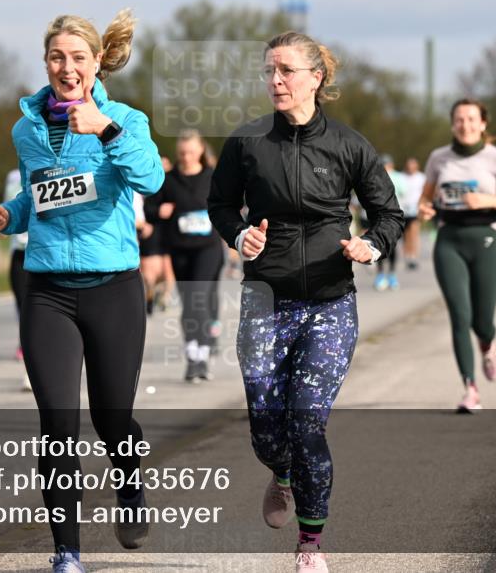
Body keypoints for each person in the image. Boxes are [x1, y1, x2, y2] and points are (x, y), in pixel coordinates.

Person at [208, 31, 403, 573]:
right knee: (267, 425)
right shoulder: (247, 144)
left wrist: (371, 244)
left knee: (308, 421)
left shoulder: (349, 146)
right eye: (270, 70)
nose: (276, 80)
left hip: (329, 304)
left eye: (287, 71)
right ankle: (282, 472)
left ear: (316, 77)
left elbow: (390, 214)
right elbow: (219, 204)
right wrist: (238, 234)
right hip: (264, 301)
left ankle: (310, 542)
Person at [0, 9, 164, 573]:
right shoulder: (26, 128)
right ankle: (67, 552)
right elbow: (39, 196)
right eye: (57, 57)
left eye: (78, 57)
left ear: (96, 62)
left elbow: (151, 179)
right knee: (58, 425)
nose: (67, 67)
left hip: (114, 289)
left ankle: (129, 482)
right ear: (46, 63)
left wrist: (103, 130)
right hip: (48, 291)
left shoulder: (125, 118)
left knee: (112, 420)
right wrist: (7, 216)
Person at [417, 99, 496, 413]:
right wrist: (425, 209)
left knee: (482, 320)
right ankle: (470, 388)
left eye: (471, 119)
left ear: (482, 124)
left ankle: (488, 343)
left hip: (487, 241)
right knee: (459, 316)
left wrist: (488, 199)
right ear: (452, 124)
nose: (465, 125)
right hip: (449, 240)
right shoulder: (439, 158)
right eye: (459, 119)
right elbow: (425, 201)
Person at [158, 129, 224, 383]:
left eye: (190, 152)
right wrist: (160, 210)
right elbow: (152, 207)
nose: (185, 157)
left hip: (208, 248)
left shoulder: (212, 177)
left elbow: (228, 206)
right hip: (179, 249)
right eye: (182, 152)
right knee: (189, 302)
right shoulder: (169, 179)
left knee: (200, 295)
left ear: (199, 151)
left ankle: (203, 354)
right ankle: (193, 355)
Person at [3, 164, 32, 391]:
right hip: (20, 251)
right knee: (25, 308)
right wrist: (3, 216)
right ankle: (31, 368)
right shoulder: (12, 176)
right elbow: (16, 204)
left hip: (46, 249)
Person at [139, 154, 175, 315]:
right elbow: (145, 209)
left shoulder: (175, 186)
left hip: (170, 233)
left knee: (168, 271)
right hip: (152, 232)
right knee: (149, 273)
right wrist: (158, 211)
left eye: (167, 165)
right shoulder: (149, 186)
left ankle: (164, 296)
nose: (164, 169)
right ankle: (150, 296)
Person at [373, 154, 406, 291]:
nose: (385, 167)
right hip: (377, 216)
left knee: (392, 246)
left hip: (394, 216)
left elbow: (404, 192)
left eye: (387, 164)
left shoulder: (398, 177)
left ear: (391, 165)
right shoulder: (374, 176)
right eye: (383, 164)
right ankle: (380, 275)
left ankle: (392, 275)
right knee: (378, 245)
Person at [399, 157, 426, 271]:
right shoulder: (401, 177)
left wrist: (423, 207)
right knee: (405, 235)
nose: (411, 167)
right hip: (403, 208)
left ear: (417, 166)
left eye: (413, 165)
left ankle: (414, 256)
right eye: (409, 165)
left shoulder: (421, 177)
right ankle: (407, 256)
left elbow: (425, 193)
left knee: (414, 233)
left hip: (415, 208)